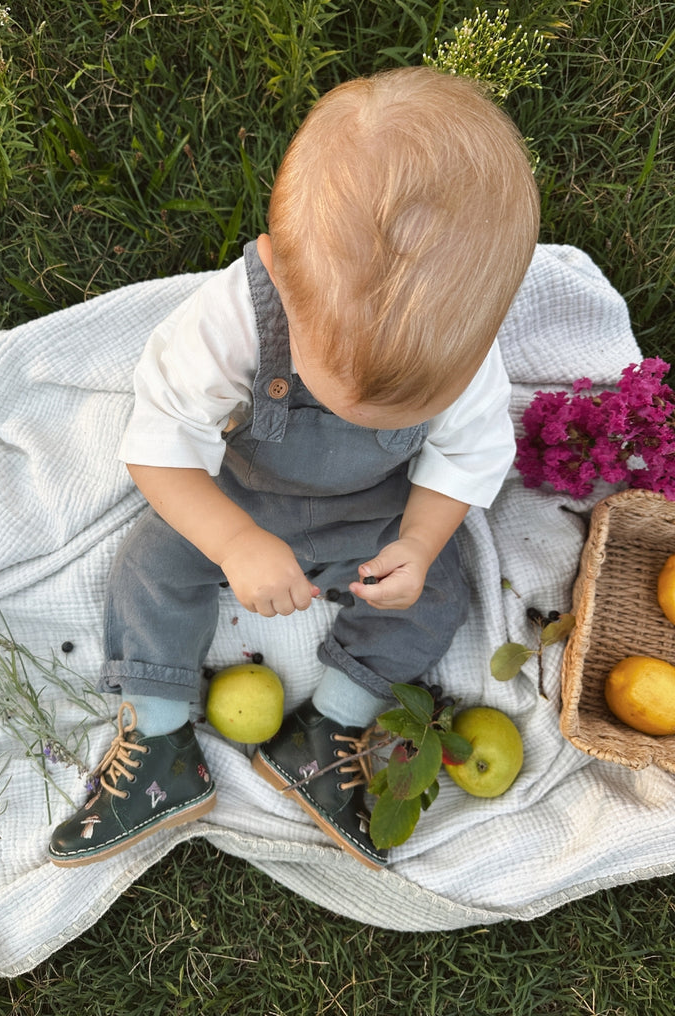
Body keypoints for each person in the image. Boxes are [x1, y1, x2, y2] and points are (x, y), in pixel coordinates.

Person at [48, 66, 540, 871]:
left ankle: (331, 727)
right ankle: (162, 741)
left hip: (374, 511)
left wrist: (415, 543)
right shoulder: (232, 318)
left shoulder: (465, 344)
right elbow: (160, 446)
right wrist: (234, 541)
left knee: (441, 583)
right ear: (281, 273)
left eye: (402, 406)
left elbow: (465, 458)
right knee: (151, 563)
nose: (358, 417)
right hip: (242, 491)